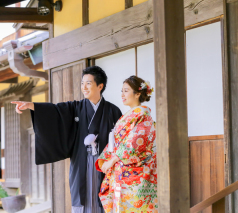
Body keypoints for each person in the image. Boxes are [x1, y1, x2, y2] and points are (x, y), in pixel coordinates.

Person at [11, 66, 122, 213]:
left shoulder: (113, 111)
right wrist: (31, 105)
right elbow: (55, 111)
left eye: (88, 83)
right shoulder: (75, 107)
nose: (84, 87)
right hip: (81, 162)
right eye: (82, 83)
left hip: (105, 164)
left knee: (105, 199)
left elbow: (122, 140)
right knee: (82, 198)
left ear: (100, 86)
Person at [95, 76, 157, 213]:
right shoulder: (128, 115)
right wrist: (108, 159)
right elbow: (117, 142)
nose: (122, 95)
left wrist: (112, 160)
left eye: (126, 91)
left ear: (138, 93)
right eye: (121, 91)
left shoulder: (143, 115)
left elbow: (135, 144)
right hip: (122, 171)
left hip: (134, 171)